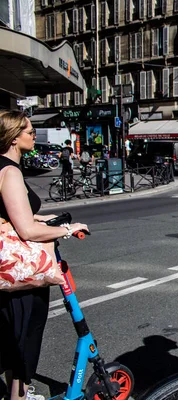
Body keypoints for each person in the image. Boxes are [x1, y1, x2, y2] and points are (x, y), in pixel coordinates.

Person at [0, 110, 88, 400]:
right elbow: (26, 229)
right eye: (28, 131)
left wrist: (49, 218)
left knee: (13, 345)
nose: (34, 134)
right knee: (23, 347)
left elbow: (17, 215)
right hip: (19, 279)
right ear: (14, 138)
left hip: (6, 274)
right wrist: (67, 230)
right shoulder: (9, 172)